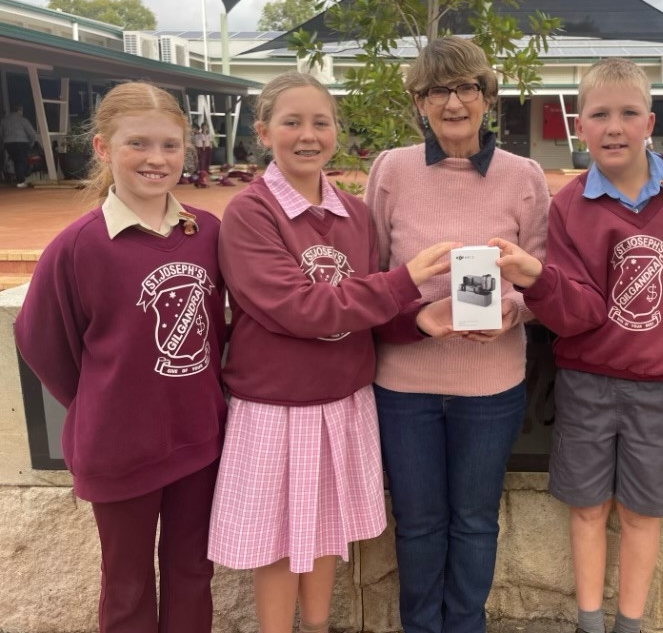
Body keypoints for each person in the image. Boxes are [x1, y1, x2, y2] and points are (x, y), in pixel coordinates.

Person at [207, 71, 456, 633]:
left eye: (321, 122)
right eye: (291, 122)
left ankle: (317, 627)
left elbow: (367, 311)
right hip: (274, 405)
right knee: (275, 543)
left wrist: (419, 319)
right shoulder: (251, 212)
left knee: (323, 533)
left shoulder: (354, 211)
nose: (308, 135)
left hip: (341, 398)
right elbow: (298, 308)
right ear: (264, 132)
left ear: (336, 132)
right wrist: (403, 281)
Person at [490, 58, 663, 633]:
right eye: (599, 115)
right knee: (588, 507)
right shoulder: (569, 206)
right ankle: (588, 620)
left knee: (643, 513)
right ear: (580, 126)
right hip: (587, 382)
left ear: (649, 121)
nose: (613, 126)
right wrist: (535, 277)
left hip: (662, 382)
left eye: (627, 113)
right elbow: (579, 311)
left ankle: (630, 622)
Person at [14, 82, 227, 633]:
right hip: (118, 447)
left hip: (198, 439)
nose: (156, 159)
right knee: (127, 586)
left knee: (192, 572)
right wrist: (104, 401)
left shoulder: (208, 233)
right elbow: (41, 341)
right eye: (138, 144)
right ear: (104, 149)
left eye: (170, 146)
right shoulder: (79, 245)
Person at [364, 36, 550, 633]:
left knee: (474, 519)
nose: (452, 102)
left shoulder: (523, 176)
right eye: (436, 90)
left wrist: (513, 312)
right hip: (404, 383)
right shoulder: (390, 170)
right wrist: (415, 316)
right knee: (417, 522)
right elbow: (373, 275)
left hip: (491, 384)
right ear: (419, 102)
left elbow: (540, 276)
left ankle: (466, 624)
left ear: (486, 97)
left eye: (466, 87)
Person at [1, 103, 38, 187]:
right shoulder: (23, 120)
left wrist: (5, 142)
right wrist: (31, 144)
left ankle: (20, 178)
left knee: (17, 161)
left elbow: (1, 134)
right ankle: (21, 180)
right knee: (21, 161)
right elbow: (32, 134)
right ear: (20, 110)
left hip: (8, 143)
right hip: (22, 143)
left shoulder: (4, 121)